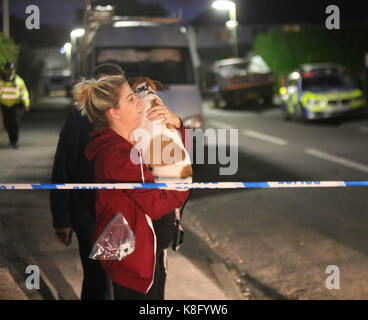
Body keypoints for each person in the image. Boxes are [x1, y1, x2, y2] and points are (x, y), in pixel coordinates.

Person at [74, 75, 190, 299]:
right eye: (130, 99)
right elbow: (157, 205)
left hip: (138, 249)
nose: (140, 102)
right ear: (113, 112)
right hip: (135, 259)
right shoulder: (121, 155)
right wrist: (184, 187)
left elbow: (176, 158)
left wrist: (176, 124)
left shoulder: (128, 141)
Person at [50, 63, 125, 300]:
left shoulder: (132, 117)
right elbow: (63, 168)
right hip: (88, 211)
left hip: (124, 211)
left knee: (115, 277)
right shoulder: (79, 118)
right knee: (98, 275)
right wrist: (61, 218)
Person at [0, 62, 30, 149]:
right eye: (8, 69)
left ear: (14, 70)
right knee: (7, 124)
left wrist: (26, 104)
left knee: (15, 123)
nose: (10, 71)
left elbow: (24, 92)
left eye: (12, 69)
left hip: (15, 105)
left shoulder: (19, 81)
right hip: (4, 105)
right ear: (5, 70)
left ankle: (14, 141)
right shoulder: (1, 81)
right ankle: (11, 140)